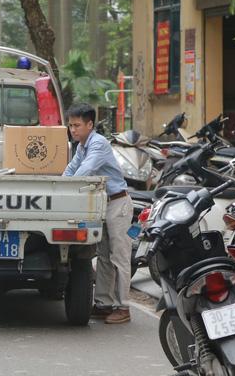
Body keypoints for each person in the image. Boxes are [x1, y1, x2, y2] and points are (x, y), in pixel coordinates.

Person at [62, 102, 134, 324]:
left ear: (90, 124)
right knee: (103, 256)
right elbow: (71, 170)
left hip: (118, 204)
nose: (72, 130)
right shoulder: (81, 146)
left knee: (119, 257)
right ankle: (104, 304)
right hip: (102, 205)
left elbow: (85, 171)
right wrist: (56, 189)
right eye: (70, 126)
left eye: (77, 125)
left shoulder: (98, 144)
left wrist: (67, 187)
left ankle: (123, 308)